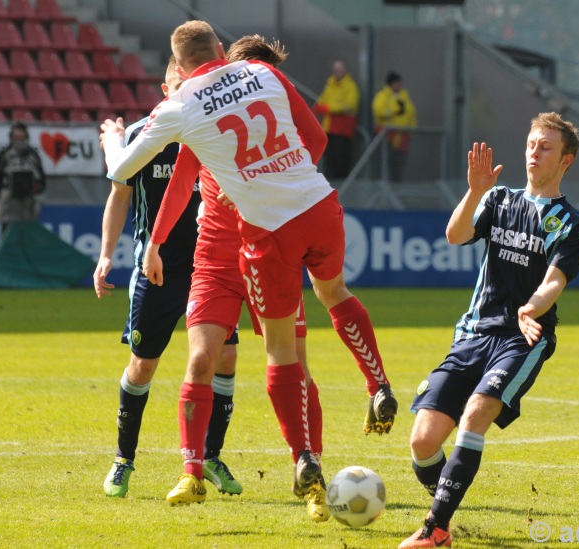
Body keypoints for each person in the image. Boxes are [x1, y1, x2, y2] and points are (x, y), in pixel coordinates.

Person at [100, 20, 397, 520]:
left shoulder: (185, 109)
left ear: (180, 70)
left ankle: (309, 469)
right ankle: (194, 470)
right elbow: (183, 183)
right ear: (218, 50)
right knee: (215, 354)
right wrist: (154, 242)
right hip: (257, 236)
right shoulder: (247, 84)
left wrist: (112, 139)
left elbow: (121, 169)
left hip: (266, 240)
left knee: (287, 359)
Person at [400, 112, 579, 548]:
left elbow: (555, 280)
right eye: (531, 144)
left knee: (476, 413)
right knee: (423, 442)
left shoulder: (570, 223)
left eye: (546, 147)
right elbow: (455, 234)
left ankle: (436, 528)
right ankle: (446, 499)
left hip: (523, 337)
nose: (534, 153)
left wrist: (532, 307)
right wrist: (474, 192)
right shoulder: (500, 199)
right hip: (473, 333)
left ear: (567, 160)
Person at [94, 57, 244, 499]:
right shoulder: (146, 135)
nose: (189, 91)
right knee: (142, 367)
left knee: (225, 359)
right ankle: (124, 460)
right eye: (181, 84)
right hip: (156, 270)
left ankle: (210, 456)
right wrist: (106, 257)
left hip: (210, 266)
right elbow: (119, 194)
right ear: (165, 88)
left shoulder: (214, 130)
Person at [0, 122, 46, 233]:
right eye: (16, 138)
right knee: (7, 231)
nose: (19, 141)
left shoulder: (33, 155)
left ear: (26, 137)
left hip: (28, 201)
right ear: (11, 138)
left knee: (27, 231)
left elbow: (40, 177)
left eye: (21, 137)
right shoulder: (4, 155)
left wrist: (38, 191)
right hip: (9, 199)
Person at [312, 59, 360, 180]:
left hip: (342, 130)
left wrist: (327, 108)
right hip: (329, 128)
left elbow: (350, 105)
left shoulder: (350, 86)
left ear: (345, 70)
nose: (337, 71)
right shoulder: (330, 84)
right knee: (330, 160)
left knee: (341, 160)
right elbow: (322, 100)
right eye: (335, 69)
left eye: (339, 69)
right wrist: (319, 107)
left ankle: (341, 188)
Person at [371, 71, 417, 182]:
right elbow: (379, 111)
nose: (399, 85)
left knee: (398, 168)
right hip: (387, 138)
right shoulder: (382, 96)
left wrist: (412, 128)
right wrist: (397, 109)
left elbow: (412, 113)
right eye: (396, 83)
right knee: (383, 166)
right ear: (390, 84)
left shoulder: (405, 96)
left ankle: (395, 188)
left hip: (402, 139)